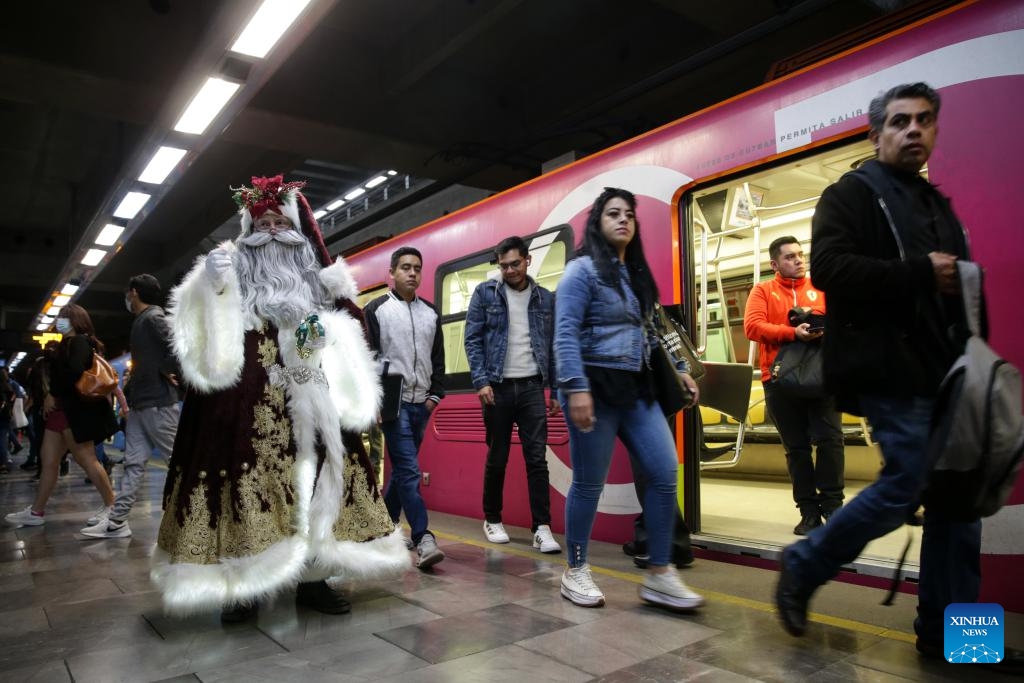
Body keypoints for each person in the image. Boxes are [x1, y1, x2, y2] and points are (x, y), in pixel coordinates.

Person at [774, 83, 1023, 669]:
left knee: (959, 507)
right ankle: (805, 562)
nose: (913, 130)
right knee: (907, 481)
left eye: (924, 121)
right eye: (900, 121)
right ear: (876, 134)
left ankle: (960, 645)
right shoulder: (850, 195)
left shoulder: (940, 206)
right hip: (891, 371)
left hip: (950, 375)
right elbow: (832, 268)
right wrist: (915, 273)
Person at [151, 176, 408, 621]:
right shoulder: (226, 272)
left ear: (298, 232)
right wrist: (208, 287)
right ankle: (246, 585)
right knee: (246, 487)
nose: (271, 229)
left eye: (279, 221)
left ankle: (314, 581)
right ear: (247, 232)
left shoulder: (321, 285)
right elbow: (192, 334)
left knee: (315, 488)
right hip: (240, 411)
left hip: (313, 405)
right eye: (262, 222)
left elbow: (352, 340)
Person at [554, 187, 703, 610]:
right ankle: (576, 570)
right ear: (598, 222)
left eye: (629, 215)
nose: (623, 220)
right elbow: (564, 332)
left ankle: (659, 573)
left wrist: (678, 372)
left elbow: (649, 333)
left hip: (637, 387)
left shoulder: (634, 274)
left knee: (662, 472)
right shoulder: (581, 271)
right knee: (588, 483)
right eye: (613, 214)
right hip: (595, 387)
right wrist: (575, 387)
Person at [464, 236, 561, 553]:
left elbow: (554, 347)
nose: (509, 270)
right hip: (497, 388)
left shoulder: (545, 299)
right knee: (498, 457)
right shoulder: (484, 293)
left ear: (528, 260)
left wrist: (556, 390)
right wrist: (481, 381)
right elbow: (472, 339)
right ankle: (492, 518)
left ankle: (542, 527)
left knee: (537, 459)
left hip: (533, 387)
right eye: (503, 265)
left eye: (515, 264)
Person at [743, 236, 844, 535]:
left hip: (821, 376)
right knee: (797, 449)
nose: (798, 260)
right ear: (775, 264)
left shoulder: (821, 289)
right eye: (790, 257)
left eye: (800, 255)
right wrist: (792, 333)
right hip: (779, 381)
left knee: (830, 440)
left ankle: (833, 506)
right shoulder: (763, 291)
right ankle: (809, 511)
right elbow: (753, 326)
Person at [365, 246, 447, 570]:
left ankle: (383, 527)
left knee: (402, 471)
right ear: (392, 273)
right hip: (394, 405)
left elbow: (438, 359)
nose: (412, 273)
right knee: (411, 471)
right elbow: (369, 358)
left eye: (417, 268)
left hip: (422, 405)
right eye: (405, 268)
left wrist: (434, 397)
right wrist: (373, 398)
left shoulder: (431, 313)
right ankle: (424, 537)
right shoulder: (376, 310)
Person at [81, 274, 181, 539]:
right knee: (133, 464)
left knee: (178, 462)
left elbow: (179, 347)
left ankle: (204, 513)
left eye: (127, 292)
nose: (126, 297)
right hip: (141, 405)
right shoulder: (142, 320)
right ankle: (117, 521)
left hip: (158, 404)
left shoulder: (153, 319)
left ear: (134, 292)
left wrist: (168, 371)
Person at [4, 304, 118, 527]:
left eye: (63, 317)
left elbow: (74, 371)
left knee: (87, 459)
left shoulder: (80, 342)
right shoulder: (69, 343)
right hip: (61, 412)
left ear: (76, 320)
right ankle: (36, 512)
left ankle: (113, 509)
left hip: (71, 411)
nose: (59, 321)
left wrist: (52, 395)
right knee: (49, 461)